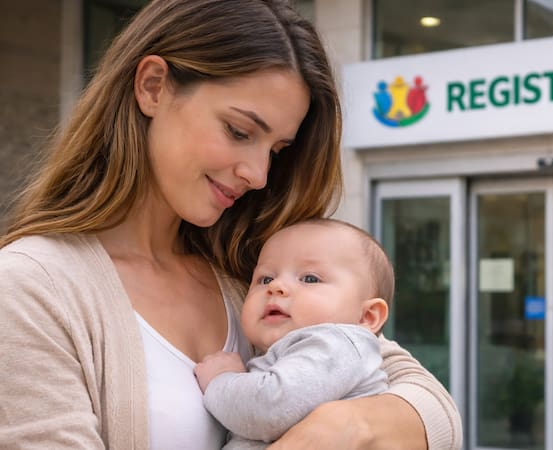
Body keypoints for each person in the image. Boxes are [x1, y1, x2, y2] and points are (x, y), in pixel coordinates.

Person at [0, 1, 462, 449]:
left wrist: (351, 425)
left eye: (277, 150)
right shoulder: (32, 286)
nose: (258, 174)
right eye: (239, 132)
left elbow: (431, 403)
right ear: (154, 86)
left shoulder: (254, 269)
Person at [194, 218, 395, 449]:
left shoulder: (336, 344)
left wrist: (221, 380)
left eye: (309, 278)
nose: (276, 286)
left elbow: (270, 409)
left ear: (367, 317)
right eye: (265, 278)